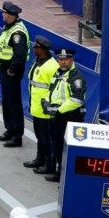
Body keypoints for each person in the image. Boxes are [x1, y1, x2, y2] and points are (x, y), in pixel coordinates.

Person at [43, 47, 87, 183]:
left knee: (67, 149)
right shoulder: (58, 73)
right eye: (61, 59)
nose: (63, 62)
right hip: (58, 117)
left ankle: (67, 177)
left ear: (72, 59)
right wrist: (46, 101)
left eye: (66, 59)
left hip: (70, 117)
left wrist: (59, 109)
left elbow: (77, 100)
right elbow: (52, 91)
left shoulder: (76, 77)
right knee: (57, 147)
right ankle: (59, 173)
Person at [0, 2, 29, 148]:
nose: (2, 14)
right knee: (7, 101)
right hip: (5, 70)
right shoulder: (10, 28)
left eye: (3, 12)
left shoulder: (17, 33)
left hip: (11, 72)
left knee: (13, 103)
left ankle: (17, 135)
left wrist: (11, 70)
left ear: (9, 14)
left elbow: (19, 56)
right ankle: (10, 129)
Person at [24, 37, 58, 175]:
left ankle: (49, 164)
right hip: (36, 106)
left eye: (35, 47)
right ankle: (40, 159)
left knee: (46, 138)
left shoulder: (52, 66)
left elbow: (54, 88)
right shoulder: (38, 62)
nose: (33, 49)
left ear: (41, 49)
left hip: (45, 109)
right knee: (40, 136)